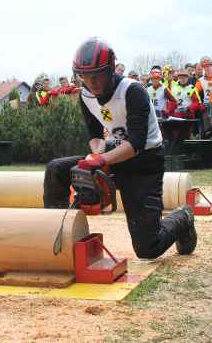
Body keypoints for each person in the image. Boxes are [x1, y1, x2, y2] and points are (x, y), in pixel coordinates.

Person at [44, 37, 197, 259]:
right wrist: (95, 155)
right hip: (113, 156)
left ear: (110, 69)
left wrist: (102, 160)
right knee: (56, 169)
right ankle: (58, 238)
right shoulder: (86, 95)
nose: (91, 81)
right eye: (85, 76)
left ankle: (183, 217)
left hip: (144, 162)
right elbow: (95, 136)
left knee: (148, 248)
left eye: (96, 75)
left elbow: (135, 144)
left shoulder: (133, 91)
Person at [195, 56, 212, 138]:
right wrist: (200, 104)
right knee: (207, 130)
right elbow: (194, 93)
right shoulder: (200, 80)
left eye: (209, 66)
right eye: (205, 67)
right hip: (206, 107)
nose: (207, 68)